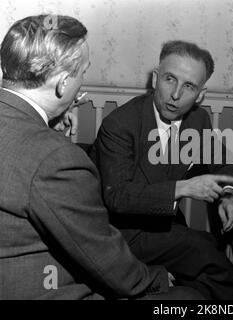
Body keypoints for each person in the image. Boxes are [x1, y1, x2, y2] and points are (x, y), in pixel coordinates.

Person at [0, 14, 202, 300]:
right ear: (63, 83)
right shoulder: (56, 159)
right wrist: (157, 278)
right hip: (41, 286)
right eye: (83, 72)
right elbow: (101, 256)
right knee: (189, 300)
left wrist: (46, 130)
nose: (83, 80)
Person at [91, 40, 233, 300]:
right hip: (119, 233)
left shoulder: (197, 119)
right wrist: (183, 188)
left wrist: (229, 194)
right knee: (202, 248)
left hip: (163, 226)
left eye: (188, 86)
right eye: (169, 79)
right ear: (155, 79)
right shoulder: (120, 124)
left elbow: (223, 160)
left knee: (205, 264)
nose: (175, 95)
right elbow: (117, 196)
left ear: (200, 95)